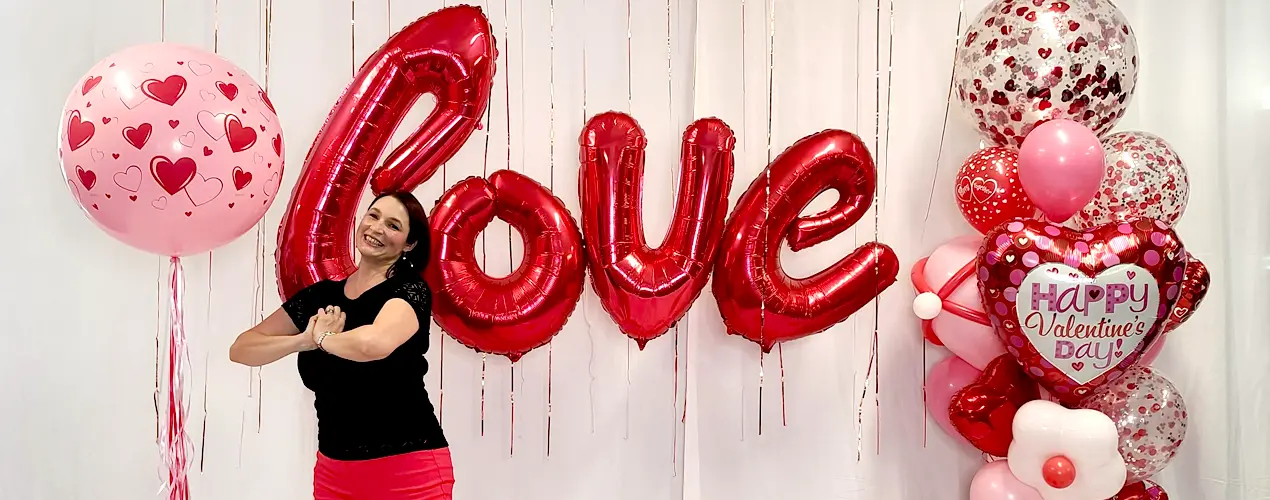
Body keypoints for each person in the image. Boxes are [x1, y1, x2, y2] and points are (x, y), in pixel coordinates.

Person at [229, 192, 452, 500]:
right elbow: (242, 349)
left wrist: (323, 339)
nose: (376, 228)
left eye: (393, 225)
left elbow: (373, 343)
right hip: (335, 473)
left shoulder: (410, 290)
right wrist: (303, 340)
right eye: (373, 216)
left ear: (408, 244)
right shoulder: (320, 298)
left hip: (407, 469)